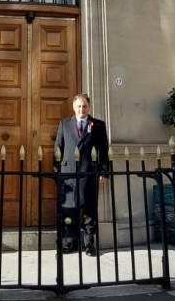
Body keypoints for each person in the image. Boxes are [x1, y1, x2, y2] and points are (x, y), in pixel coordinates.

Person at [55, 94, 108, 256]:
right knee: (69, 209)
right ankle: (70, 242)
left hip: (89, 173)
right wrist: (57, 171)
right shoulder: (64, 123)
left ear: (89, 107)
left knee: (89, 209)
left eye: (84, 106)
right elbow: (59, 148)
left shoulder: (98, 125)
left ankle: (89, 244)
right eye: (79, 106)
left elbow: (103, 151)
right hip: (68, 173)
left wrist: (104, 171)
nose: (81, 109)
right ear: (73, 107)